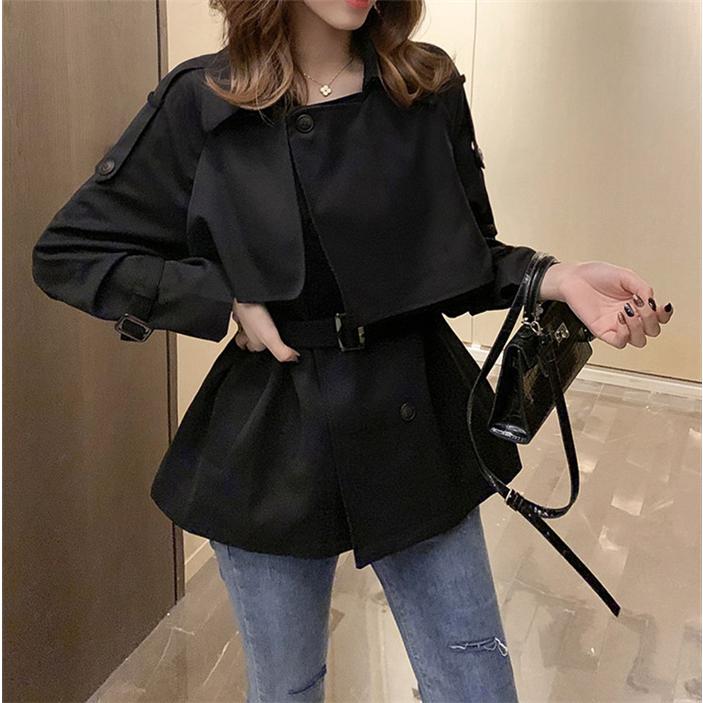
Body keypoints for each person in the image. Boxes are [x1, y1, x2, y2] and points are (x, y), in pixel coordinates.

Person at [31, 0, 673, 700]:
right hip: (271, 439)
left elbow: (463, 256)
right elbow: (70, 252)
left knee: (475, 681)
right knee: (286, 688)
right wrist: (222, 298)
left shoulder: (424, 86)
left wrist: (556, 277)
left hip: (415, 420)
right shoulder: (205, 100)